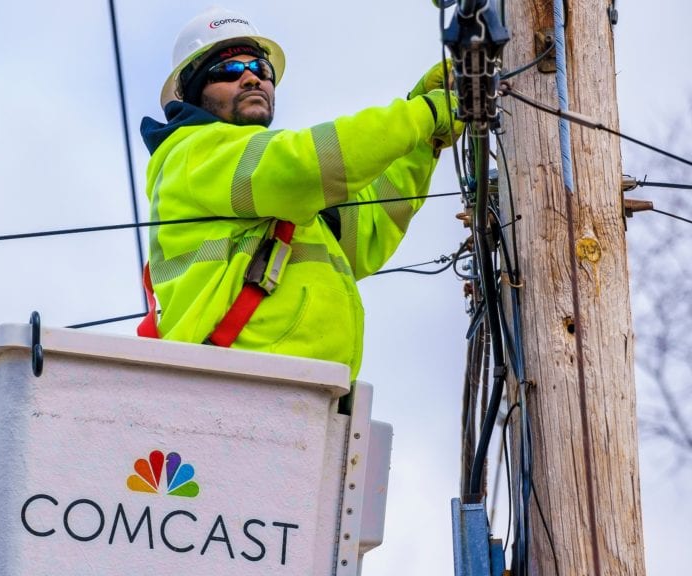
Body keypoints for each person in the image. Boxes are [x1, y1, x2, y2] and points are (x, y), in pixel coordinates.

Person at [137, 7, 461, 381]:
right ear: (194, 93)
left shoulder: (276, 195)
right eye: (227, 71)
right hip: (235, 385)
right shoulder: (193, 154)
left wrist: (423, 139)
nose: (250, 78)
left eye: (261, 70)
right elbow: (307, 165)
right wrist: (424, 113)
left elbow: (370, 227)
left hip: (300, 394)